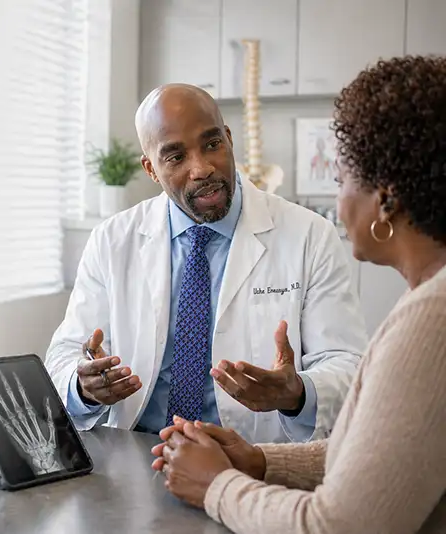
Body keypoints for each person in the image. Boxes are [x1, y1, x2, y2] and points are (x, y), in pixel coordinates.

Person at [151, 55, 446, 533]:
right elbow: (377, 448)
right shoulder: (430, 303)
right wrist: (261, 461)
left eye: (340, 180)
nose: (337, 200)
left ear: (386, 202)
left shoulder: (431, 323)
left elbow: (339, 525)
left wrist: (217, 485)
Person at [44, 83, 368, 444]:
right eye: (176, 157)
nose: (202, 168)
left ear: (229, 139)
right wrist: (83, 386)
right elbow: (63, 354)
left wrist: (298, 393)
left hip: (250, 458)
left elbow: (348, 366)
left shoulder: (310, 236)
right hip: (137, 453)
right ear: (151, 169)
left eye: (212, 144)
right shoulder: (112, 240)